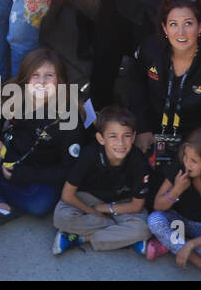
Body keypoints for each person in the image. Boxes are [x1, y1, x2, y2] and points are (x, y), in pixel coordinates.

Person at [0, 48, 82, 218]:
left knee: (39, 205)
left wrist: (27, 175)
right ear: (26, 77)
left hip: (38, 169)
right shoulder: (16, 91)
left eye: (49, 76)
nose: (41, 82)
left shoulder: (69, 118)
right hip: (10, 149)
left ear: (60, 80)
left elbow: (69, 169)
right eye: (35, 75)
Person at [126, 0, 201, 171]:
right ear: (164, 28)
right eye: (173, 24)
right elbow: (135, 88)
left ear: (200, 26)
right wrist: (141, 128)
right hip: (150, 135)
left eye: (188, 23)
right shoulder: (150, 50)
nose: (181, 33)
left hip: (195, 149)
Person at [52, 105, 151, 255]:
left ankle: (80, 238)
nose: (121, 143)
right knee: (61, 218)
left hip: (122, 203)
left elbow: (136, 206)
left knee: (144, 228)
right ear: (100, 138)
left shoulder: (139, 162)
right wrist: (93, 211)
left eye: (126, 135)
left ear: (134, 136)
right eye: (113, 136)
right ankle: (123, 236)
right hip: (88, 198)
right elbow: (67, 195)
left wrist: (104, 209)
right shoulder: (89, 154)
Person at [145, 126, 201, 274]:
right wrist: (176, 190)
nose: (187, 163)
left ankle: (170, 244)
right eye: (185, 156)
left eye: (194, 161)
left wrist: (191, 244)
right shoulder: (180, 168)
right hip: (179, 222)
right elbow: (158, 205)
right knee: (155, 220)